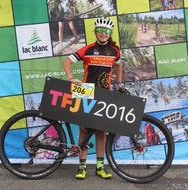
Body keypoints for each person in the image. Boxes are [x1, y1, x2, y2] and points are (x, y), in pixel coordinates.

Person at [62, 17, 123, 180]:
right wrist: (71, 78)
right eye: (100, 31)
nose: (103, 34)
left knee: (101, 132)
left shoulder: (115, 51)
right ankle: (81, 167)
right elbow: (66, 62)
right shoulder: (87, 50)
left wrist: (119, 83)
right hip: (85, 92)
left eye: (106, 31)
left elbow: (118, 66)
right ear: (96, 32)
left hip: (104, 93)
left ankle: (100, 167)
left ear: (110, 34)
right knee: (84, 130)